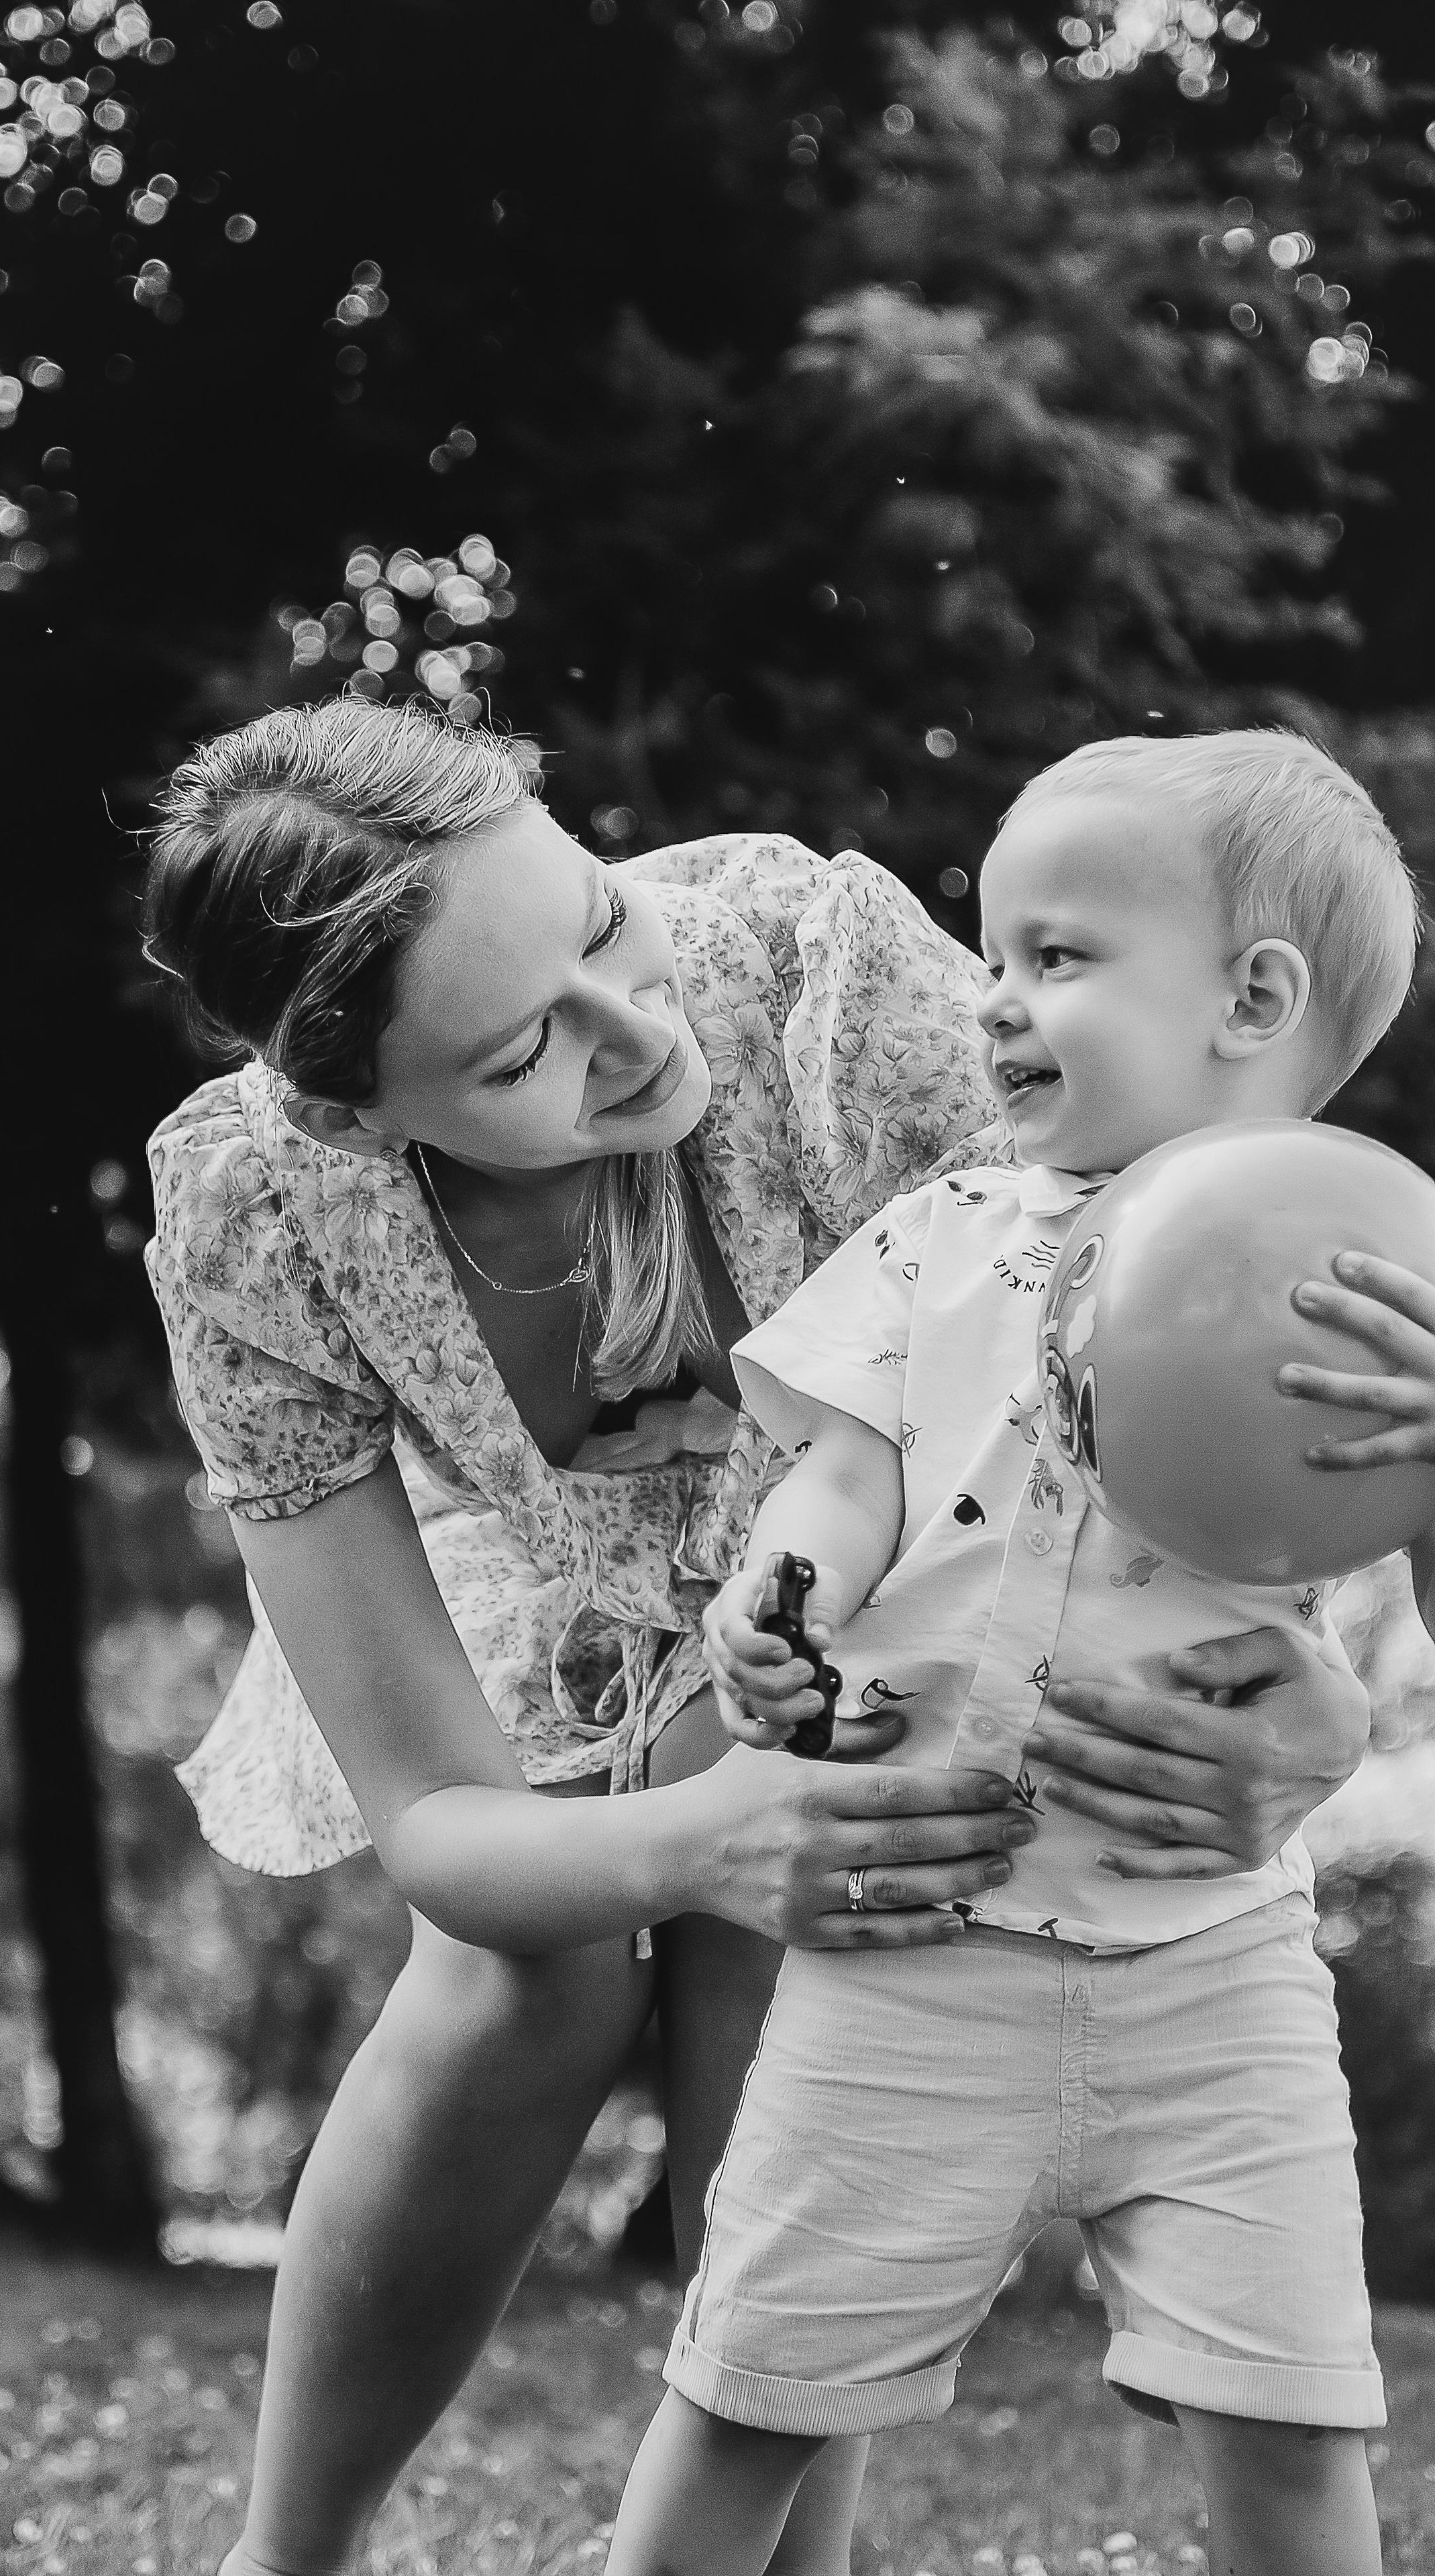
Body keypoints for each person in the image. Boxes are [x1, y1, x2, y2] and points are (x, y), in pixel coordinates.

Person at [140, 697, 1369, 2576]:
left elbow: (1165, 1272)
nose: (637, 1033)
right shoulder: (261, 1209)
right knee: (520, 1970)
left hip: (862, 1583)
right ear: (355, 1113)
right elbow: (439, 1833)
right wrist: (698, 1842)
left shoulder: (820, 974)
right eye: (525, 1048)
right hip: (547, 1616)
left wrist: (1299, 1688)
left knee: (797, 1924)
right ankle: (281, 2561)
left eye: (599, 924)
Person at [606, 730, 1423, 2576]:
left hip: (1217, 1965)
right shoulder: (941, 1233)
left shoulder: (1373, 1281)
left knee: (1295, 2425)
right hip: (912, 1949)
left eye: (1055, 958)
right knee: (742, 2402)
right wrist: (778, 1601)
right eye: (995, 955)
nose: (995, 1004)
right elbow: (845, 1468)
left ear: (1254, 999)